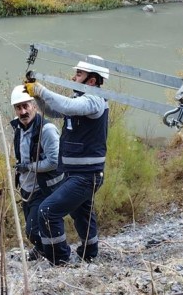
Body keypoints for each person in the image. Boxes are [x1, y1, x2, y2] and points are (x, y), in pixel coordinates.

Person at [23, 55, 110, 266]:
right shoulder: (80, 99)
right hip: (76, 173)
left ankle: (59, 258)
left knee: (47, 212)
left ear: (91, 80)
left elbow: (68, 107)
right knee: (82, 214)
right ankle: (89, 253)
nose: (73, 77)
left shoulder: (94, 100)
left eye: (78, 74)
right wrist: (36, 96)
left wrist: (41, 90)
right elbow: (54, 110)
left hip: (86, 176)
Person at [9, 85, 62, 261]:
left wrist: (29, 167)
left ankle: (55, 254)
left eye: (26, 106)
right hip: (26, 187)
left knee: (33, 230)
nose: (23, 111)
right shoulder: (18, 128)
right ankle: (43, 250)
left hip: (44, 187)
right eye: (18, 107)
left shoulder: (46, 130)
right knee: (33, 227)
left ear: (34, 105)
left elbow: (54, 161)